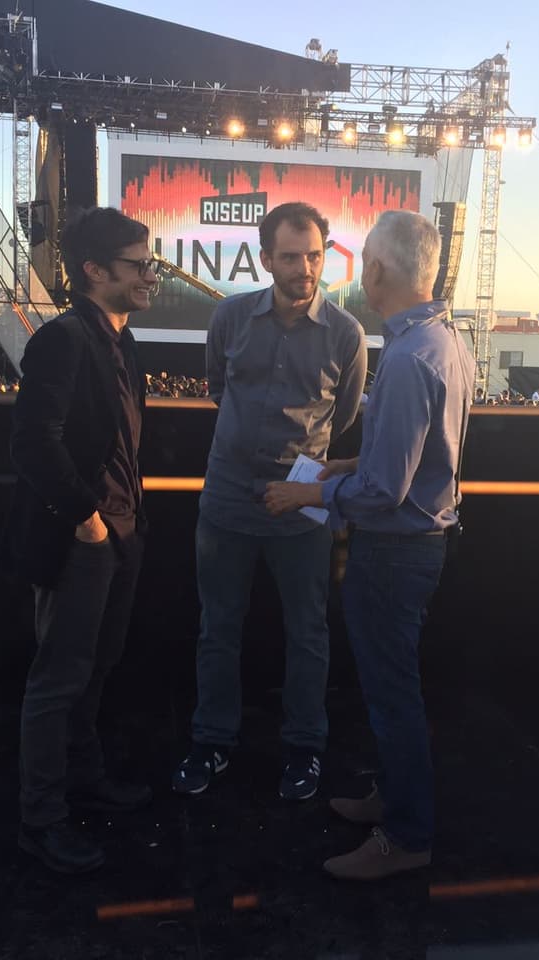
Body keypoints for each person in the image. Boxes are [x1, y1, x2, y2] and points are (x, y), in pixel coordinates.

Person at [264, 210, 475, 880]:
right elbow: (415, 461)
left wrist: (308, 493)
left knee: (391, 696)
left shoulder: (412, 358)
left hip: (395, 551)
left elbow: (388, 492)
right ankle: (394, 799)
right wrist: (344, 467)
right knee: (393, 689)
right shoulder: (442, 343)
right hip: (417, 546)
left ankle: (407, 837)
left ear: (378, 271)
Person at [172, 202, 367, 801]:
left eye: (314, 255)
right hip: (227, 499)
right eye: (291, 256)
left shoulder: (346, 334)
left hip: (303, 503)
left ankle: (305, 749)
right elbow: (215, 386)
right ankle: (211, 743)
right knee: (217, 629)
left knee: (308, 632)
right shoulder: (230, 318)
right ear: (265, 259)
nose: (306, 267)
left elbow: (347, 413)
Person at [5, 206, 159, 874]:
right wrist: (88, 520)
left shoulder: (121, 341)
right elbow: (32, 443)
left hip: (122, 534)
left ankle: (86, 777)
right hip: (84, 540)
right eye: (139, 264)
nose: (151, 275)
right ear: (95, 271)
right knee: (57, 681)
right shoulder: (63, 339)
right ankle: (40, 821)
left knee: (96, 670)